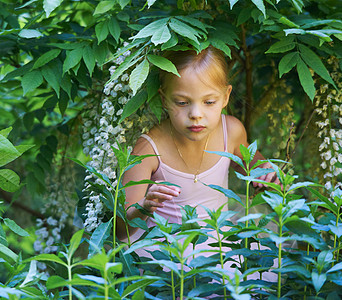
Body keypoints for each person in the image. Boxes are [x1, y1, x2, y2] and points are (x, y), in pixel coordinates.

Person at [116, 46, 280, 244]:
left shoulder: (232, 132)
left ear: (226, 97)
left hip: (221, 252)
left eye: (209, 102)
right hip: (166, 257)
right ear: (164, 99)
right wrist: (144, 206)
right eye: (182, 102)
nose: (196, 114)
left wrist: (267, 173)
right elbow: (120, 231)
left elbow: (258, 169)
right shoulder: (148, 150)